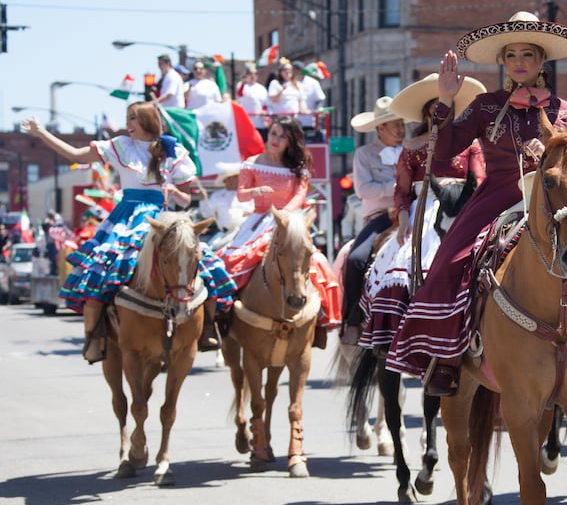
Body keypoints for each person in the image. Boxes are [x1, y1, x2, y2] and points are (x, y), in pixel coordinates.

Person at [385, 10, 567, 397]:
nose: (519, 62)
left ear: (541, 60)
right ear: (503, 61)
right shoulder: (484, 105)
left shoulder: (564, 109)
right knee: (453, 259)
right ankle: (447, 359)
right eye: (511, 55)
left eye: (527, 55)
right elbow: (446, 149)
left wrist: (551, 154)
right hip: (499, 195)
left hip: (559, 195)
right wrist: (446, 99)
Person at [20, 103, 236, 362]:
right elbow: (76, 155)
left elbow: (187, 198)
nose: (128, 123)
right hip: (127, 216)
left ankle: (207, 327)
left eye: (133, 118)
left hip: (164, 216)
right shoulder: (120, 146)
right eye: (128, 118)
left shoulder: (173, 151)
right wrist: (42, 133)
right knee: (102, 267)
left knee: (203, 263)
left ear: (147, 120)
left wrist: (174, 192)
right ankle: (95, 336)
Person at [355, 73, 487, 354]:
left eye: (446, 111)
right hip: (423, 208)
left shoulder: (470, 145)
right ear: (426, 116)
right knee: (400, 260)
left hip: (461, 207)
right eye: (435, 111)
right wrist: (403, 218)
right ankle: (388, 331)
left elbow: (479, 181)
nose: (441, 116)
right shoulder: (412, 147)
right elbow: (402, 191)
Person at [216, 116, 341, 346]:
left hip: (289, 221)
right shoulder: (251, 163)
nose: (276, 140)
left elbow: (299, 196)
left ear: (290, 141)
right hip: (258, 220)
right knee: (230, 262)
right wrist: (255, 192)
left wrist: (283, 217)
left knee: (317, 263)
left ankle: (319, 322)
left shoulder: (298, 167)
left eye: (283, 136)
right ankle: (224, 315)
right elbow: (241, 195)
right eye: (274, 134)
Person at [340, 97, 406, 344]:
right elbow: (364, 189)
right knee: (356, 259)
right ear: (380, 128)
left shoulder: (412, 149)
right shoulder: (364, 154)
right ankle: (352, 318)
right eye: (395, 124)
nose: (400, 129)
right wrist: (397, 187)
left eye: (401, 123)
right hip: (380, 217)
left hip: (411, 213)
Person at [195, 163, 254, 239]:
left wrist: (248, 212)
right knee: (213, 245)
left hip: (244, 232)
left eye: (235, 177)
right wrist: (203, 200)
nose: (232, 180)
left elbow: (254, 211)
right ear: (225, 180)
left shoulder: (248, 193)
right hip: (224, 233)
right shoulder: (217, 196)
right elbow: (206, 214)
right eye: (230, 178)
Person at [235, 63, 270, 140]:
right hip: (245, 123)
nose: (253, 76)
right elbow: (239, 95)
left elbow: (265, 104)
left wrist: (264, 111)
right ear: (246, 75)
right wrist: (243, 82)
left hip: (259, 123)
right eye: (250, 73)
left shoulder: (262, 88)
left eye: (255, 74)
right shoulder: (242, 85)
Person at [295, 61, 327, 130]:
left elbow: (320, 99)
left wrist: (318, 110)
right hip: (291, 121)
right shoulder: (288, 83)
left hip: (308, 121)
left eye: (298, 70)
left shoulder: (313, 83)